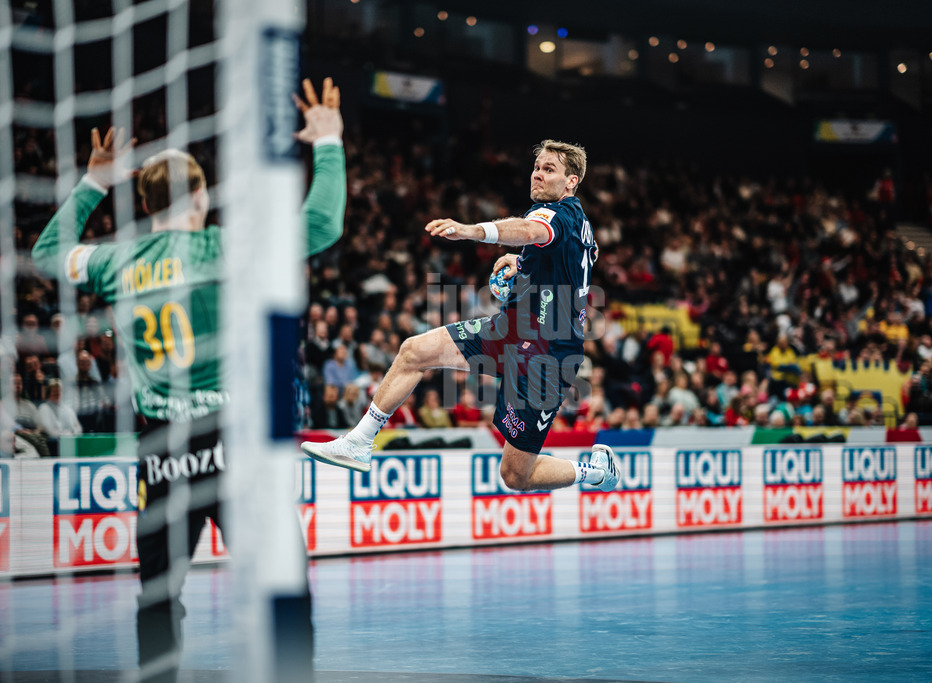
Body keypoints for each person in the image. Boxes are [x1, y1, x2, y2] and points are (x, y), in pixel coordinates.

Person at [31, 78, 346, 682]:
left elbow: (48, 253)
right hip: (236, 443)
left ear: (146, 206)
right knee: (281, 581)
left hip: (162, 449)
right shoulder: (227, 248)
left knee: (157, 596)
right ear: (201, 196)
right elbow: (321, 224)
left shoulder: (114, 261)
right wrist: (328, 143)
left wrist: (95, 181)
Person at [303, 139, 621, 492]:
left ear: (571, 181)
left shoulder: (555, 215)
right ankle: (359, 442)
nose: (538, 175)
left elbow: (531, 230)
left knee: (515, 476)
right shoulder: (576, 222)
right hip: (512, 331)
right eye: (536, 167)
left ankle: (596, 472)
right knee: (413, 351)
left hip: (546, 358)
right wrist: (521, 263)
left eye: (549, 170)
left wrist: (471, 231)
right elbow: (566, 269)